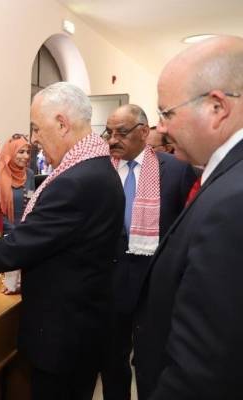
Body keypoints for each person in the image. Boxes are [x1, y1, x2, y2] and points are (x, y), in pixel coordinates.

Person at [0, 82, 125, 399]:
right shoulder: (97, 167)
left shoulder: (78, 181)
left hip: (65, 332)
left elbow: (16, 249)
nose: (33, 140)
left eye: (36, 128)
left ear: (62, 123)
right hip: (83, 322)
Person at [134, 35, 243, 399]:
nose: (160, 128)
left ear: (217, 107)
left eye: (167, 113)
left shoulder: (233, 202)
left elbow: (204, 370)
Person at [100, 104, 197, 400]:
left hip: (155, 281)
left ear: (143, 132)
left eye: (121, 132)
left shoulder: (176, 170)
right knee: (112, 358)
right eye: (109, 132)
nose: (113, 140)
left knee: (150, 360)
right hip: (110, 278)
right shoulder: (101, 169)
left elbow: (186, 226)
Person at [0, 133, 35, 232]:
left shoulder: (29, 174)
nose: (26, 156)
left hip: (27, 229)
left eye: (28, 152)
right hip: (4, 231)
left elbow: (32, 202)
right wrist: (15, 231)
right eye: (21, 152)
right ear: (11, 152)